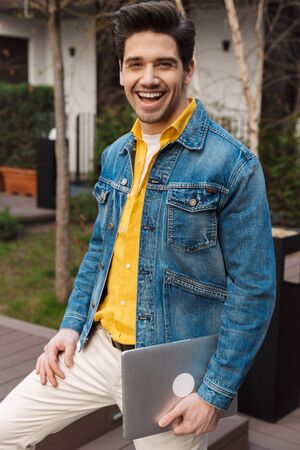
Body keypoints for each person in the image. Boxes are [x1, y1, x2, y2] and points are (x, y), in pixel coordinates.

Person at [0, 1, 276, 449]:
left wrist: (214, 393)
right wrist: (70, 326)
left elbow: (255, 289)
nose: (148, 78)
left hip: (169, 369)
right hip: (96, 349)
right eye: (136, 65)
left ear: (187, 70)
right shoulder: (115, 155)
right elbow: (99, 251)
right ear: (122, 73)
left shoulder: (233, 165)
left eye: (163, 64)